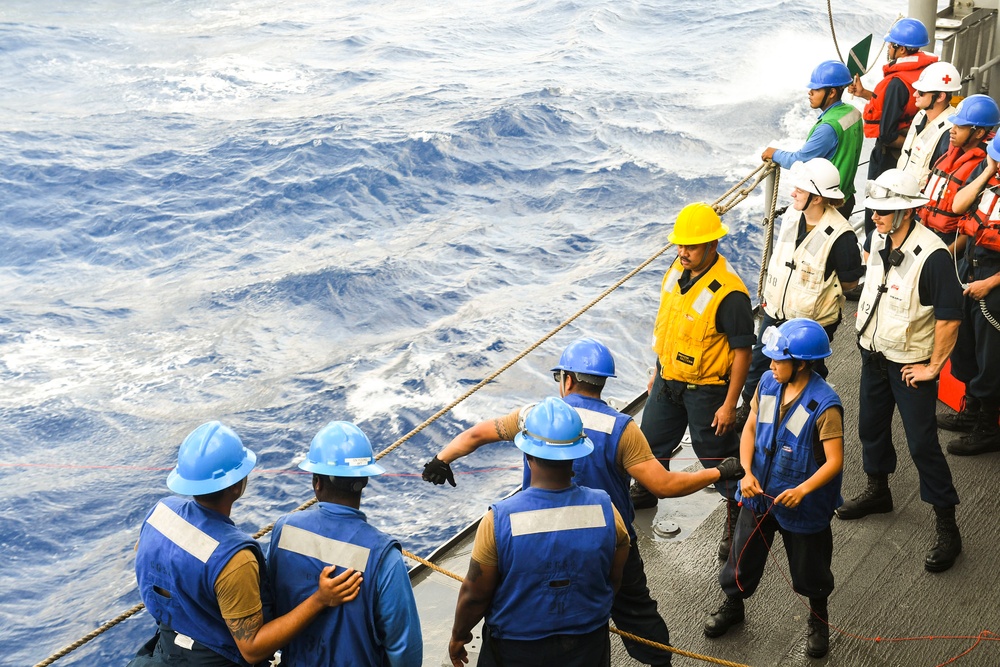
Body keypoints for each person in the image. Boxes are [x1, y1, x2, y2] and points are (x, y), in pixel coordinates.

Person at [423, 337, 745, 666]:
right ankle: (659, 661)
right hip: (606, 537)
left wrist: (442, 458)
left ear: (567, 379)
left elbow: (477, 435)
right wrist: (719, 472)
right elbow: (663, 485)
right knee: (639, 616)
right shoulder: (622, 429)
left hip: (534, 541)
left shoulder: (535, 419)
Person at [130, 421, 362, 667]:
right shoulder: (235, 559)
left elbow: (146, 552)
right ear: (236, 486)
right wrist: (320, 599)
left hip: (164, 652)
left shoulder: (161, 513)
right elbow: (252, 649)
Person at [835, 169, 964, 574]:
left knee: (922, 444)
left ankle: (948, 526)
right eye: (875, 209)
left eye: (884, 211)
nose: (874, 216)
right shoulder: (879, 238)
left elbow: (949, 318)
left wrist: (933, 368)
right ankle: (878, 491)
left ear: (907, 212)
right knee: (870, 428)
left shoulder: (935, 256)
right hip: (874, 356)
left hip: (909, 364)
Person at [448, 396, 631, 667]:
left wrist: (459, 636)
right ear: (577, 453)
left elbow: (475, 594)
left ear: (528, 453)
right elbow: (613, 578)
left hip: (515, 647)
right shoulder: (607, 510)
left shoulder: (498, 520)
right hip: (587, 641)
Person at [703, 319, 844, 660]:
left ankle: (818, 619)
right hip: (758, 492)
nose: (771, 366)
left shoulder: (825, 405)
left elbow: (834, 462)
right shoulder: (768, 383)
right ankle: (733, 604)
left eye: (779, 361)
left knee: (811, 568)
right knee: (742, 556)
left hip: (801, 503)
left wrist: (803, 490)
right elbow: (750, 427)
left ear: (802, 363)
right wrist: (747, 473)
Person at [631, 202, 755, 560]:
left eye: (691, 246)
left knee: (718, 457)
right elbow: (670, 328)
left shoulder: (729, 295)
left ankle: (736, 513)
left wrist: (729, 405)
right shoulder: (675, 271)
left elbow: (743, 354)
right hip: (669, 381)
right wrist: (658, 369)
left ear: (712, 245)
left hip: (707, 391)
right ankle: (647, 488)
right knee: (648, 443)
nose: (683, 252)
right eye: (680, 245)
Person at [267, 421, 422, 666]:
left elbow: (270, 608)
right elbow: (404, 649)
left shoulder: (283, 530)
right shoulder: (385, 556)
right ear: (364, 482)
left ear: (316, 482)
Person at [737, 158, 863, 427]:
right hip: (776, 312)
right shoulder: (794, 216)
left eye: (801, 190)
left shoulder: (842, 237)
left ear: (817, 198)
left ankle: (801, 422)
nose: (793, 193)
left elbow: (850, 282)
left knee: (805, 373)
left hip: (811, 324)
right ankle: (751, 411)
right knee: (760, 364)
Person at [937, 132, 1000, 454]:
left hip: (994, 279)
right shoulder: (988, 177)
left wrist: (989, 284)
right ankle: (971, 411)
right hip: (971, 264)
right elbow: (959, 205)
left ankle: (989, 427)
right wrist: (988, 171)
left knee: (991, 356)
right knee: (966, 345)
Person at [849, 17, 938, 244]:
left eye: (891, 44)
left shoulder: (897, 82)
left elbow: (887, 133)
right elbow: (900, 105)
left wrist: (909, 146)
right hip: (906, 155)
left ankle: (873, 247)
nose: (888, 48)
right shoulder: (923, 72)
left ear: (901, 49)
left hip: (889, 158)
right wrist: (865, 94)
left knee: (878, 208)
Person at [762, 60, 863, 219]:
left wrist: (774, 153)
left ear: (831, 93)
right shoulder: (853, 112)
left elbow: (800, 161)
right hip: (846, 198)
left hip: (827, 206)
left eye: (815, 89)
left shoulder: (827, 128)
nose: (809, 93)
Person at [918, 94, 998, 245]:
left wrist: (948, 254)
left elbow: (971, 225)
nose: (952, 130)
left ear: (979, 133)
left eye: (960, 127)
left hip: (952, 244)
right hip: (926, 233)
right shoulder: (949, 153)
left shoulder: (984, 166)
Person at [897, 61, 962, 190]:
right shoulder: (920, 115)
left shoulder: (950, 131)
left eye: (921, 92)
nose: (915, 94)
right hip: (901, 190)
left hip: (920, 202)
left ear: (940, 97)